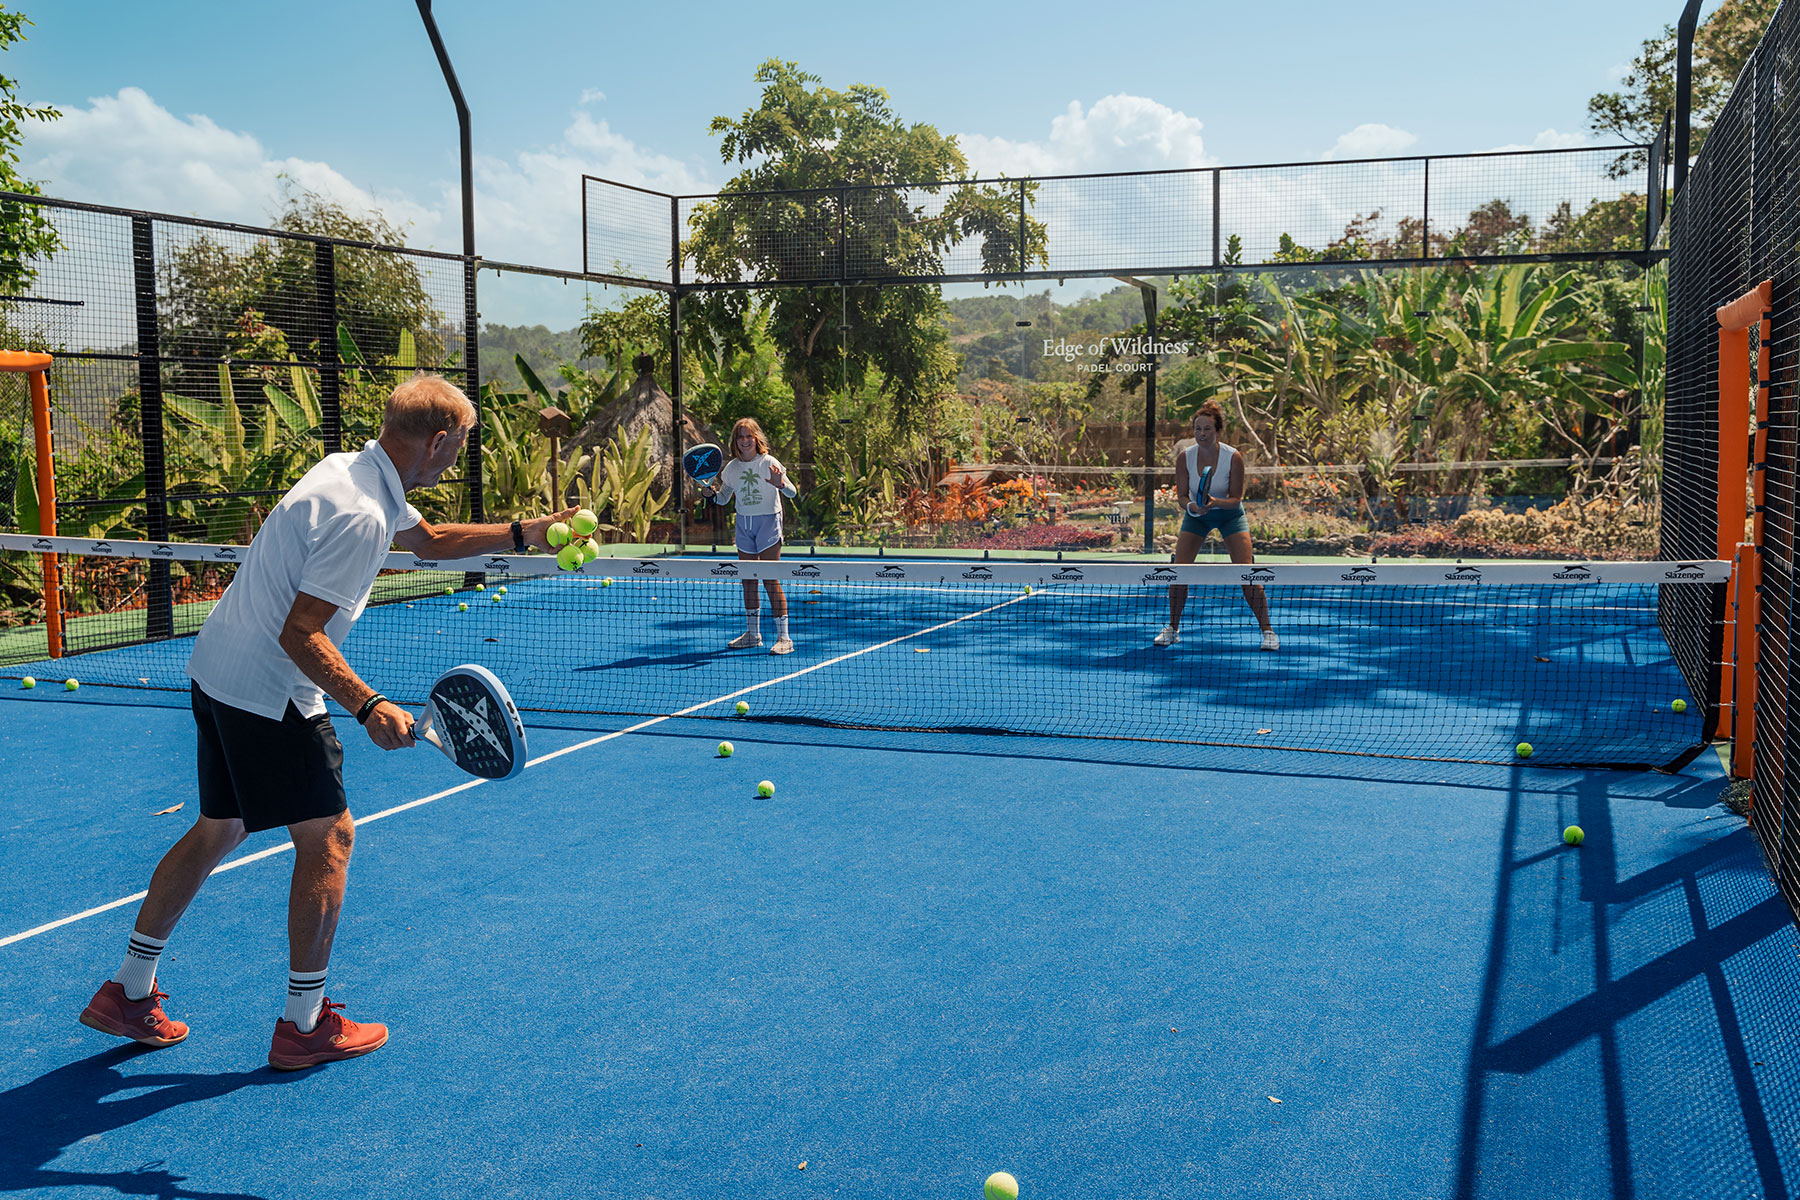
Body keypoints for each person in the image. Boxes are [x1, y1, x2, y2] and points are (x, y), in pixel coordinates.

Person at [77, 373, 572, 1070]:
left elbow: (427, 541)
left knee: (221, 826)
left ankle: (128, 990)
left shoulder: (352, 470)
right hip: (269, 691)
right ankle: (304, 1024)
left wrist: (528, 532)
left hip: (217, 669)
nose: (458, 457)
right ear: (436, 441)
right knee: (330, 838)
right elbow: (302, 632)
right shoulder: (362, 516)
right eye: (459, 444)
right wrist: (370, 706)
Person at [1154, 400, 1277, 651]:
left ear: (1217, 430)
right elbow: (1181, 498)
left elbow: (1236, 500)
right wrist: (1193, 508)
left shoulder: (1234, 457)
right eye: (1198, 429)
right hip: (1196, 516)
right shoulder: (1185, 457)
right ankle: (1173, 629)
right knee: (1179, 572)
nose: (1202, 434)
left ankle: (1268, 631)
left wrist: (1213, 502)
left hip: (1229, 515)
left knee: (1247, 574)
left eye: (1207, 429)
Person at [701, 417, 799, 655]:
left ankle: (784, 638)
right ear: (735, 441)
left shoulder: (769, 462)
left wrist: (779, 484)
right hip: (744, 524)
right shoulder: (732, 468)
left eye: (749, 436)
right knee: (748, 579)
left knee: (769, 579)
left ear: (756, 439)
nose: (745, 441)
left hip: (768, 522)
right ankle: (753, 634)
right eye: (740, 437)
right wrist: (710, 494)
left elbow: (793, 493)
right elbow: (723, 499)